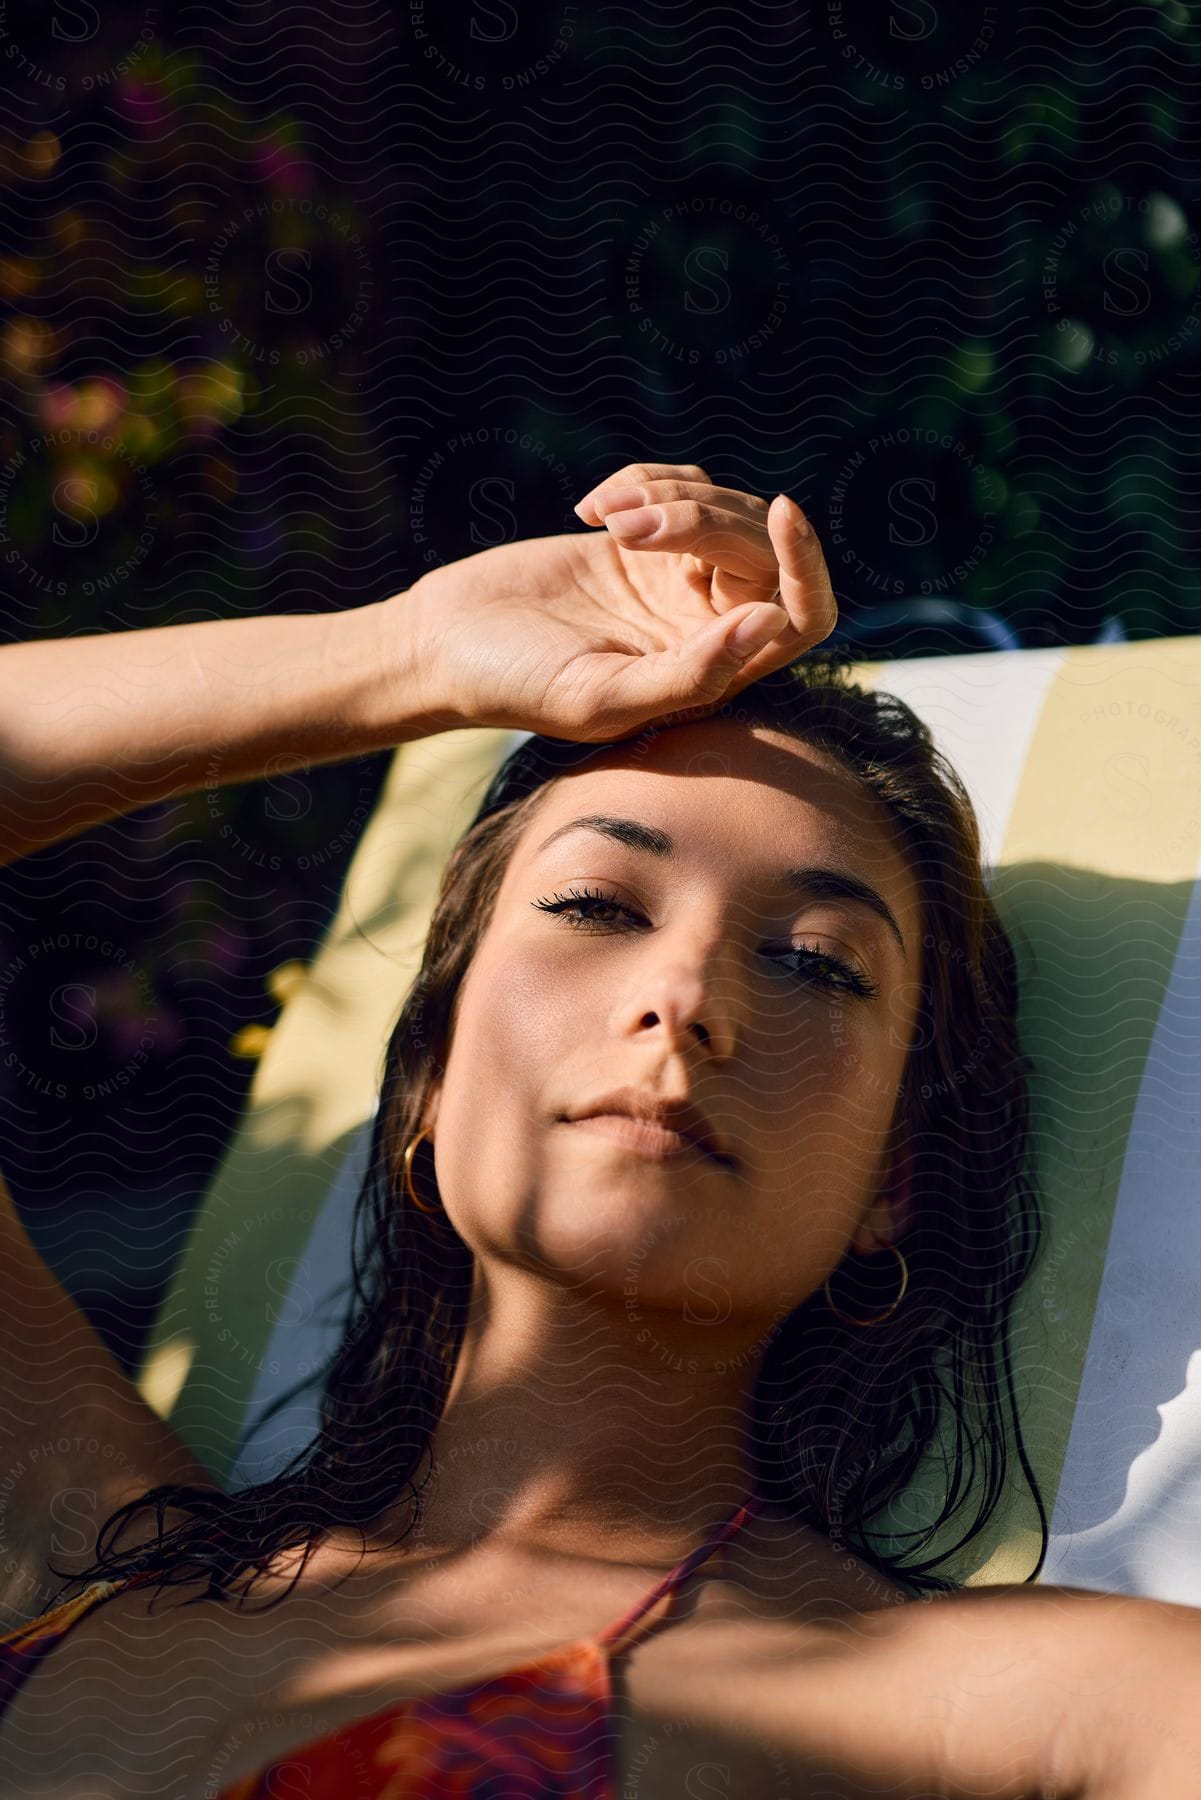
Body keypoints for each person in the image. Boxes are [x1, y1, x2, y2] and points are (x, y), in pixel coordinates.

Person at [0, 461, 1198, 1795]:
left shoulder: (968, 1706)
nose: (683, 1001)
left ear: (892, 1182)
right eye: (594, 906)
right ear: (430, 1084)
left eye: (813, 961)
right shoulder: (77, 1528)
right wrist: (411, 649)